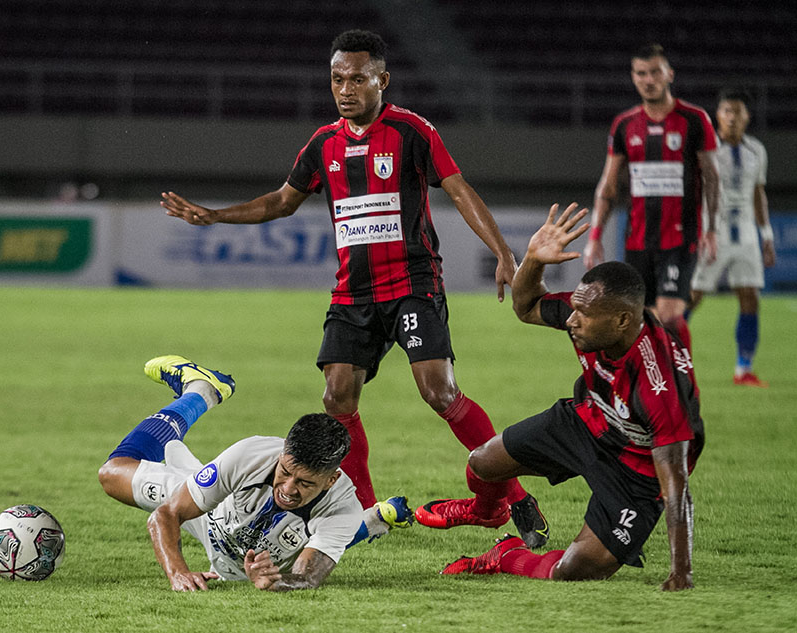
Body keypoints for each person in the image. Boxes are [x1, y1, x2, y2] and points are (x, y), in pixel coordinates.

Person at [161, 29, 549, 548]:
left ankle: (516, 495)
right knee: (337, 395)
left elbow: (459, 190)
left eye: (358, 79)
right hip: (353, 294)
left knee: (440, 391)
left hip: (412, 283)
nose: (346, 89)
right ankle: (363, 507)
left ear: (382, 81)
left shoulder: (411, 132)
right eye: (337, 79)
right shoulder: (324, 144)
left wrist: (504, 252)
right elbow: (281, 201)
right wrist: (215, 216)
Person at [441, 204, 704, 592]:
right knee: (481, 463)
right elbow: (526, 307)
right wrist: (532, 260)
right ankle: (487, 511)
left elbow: (677, 484)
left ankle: (507, 555)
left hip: (636, 473)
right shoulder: (587, 317)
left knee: (575, 570)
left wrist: (681, 570)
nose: (570, 319)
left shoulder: (659, 385)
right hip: (585, 422)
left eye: (583, 313)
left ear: (622, 321)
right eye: (574, 307)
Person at [98, 355, 412, 592]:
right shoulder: (251, 454)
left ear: (331, 480)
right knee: (112, 475)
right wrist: (178, 571)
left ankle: (373, 520)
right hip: (211, 515)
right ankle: (201, 392)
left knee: (337, 531)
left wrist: (276, 582)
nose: (288, 488)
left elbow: (308, 577)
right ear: (282, 453)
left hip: (245, 559)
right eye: (285, 471)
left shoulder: (342, 506)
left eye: (304, 483)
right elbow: (165, 516)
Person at [584, 43, 720, 349]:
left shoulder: (694, 120)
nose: (648, 79)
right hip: (638, 239)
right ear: (633, 78)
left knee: (670, 316)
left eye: (655, 72)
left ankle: (685, 388)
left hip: (681, 238)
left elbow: (712, 178)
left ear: (669, 74)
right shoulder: (624, 125)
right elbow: (608, 186)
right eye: (641, 73)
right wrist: (595, 236)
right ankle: (651, 388)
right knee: (639, 319)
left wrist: (712, 228)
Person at [689, 88, 775, 388]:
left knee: (750, 298)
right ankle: (666, 360)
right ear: (718, 115)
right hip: (713, 231)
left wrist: (766, 235)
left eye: (737, 112)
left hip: (747, 234)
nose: (732, 118)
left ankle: (744, 369)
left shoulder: (757, 150)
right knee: (693, 296)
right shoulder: (706, 148)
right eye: (726, 111)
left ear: (747, 117)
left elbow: (758, 193)